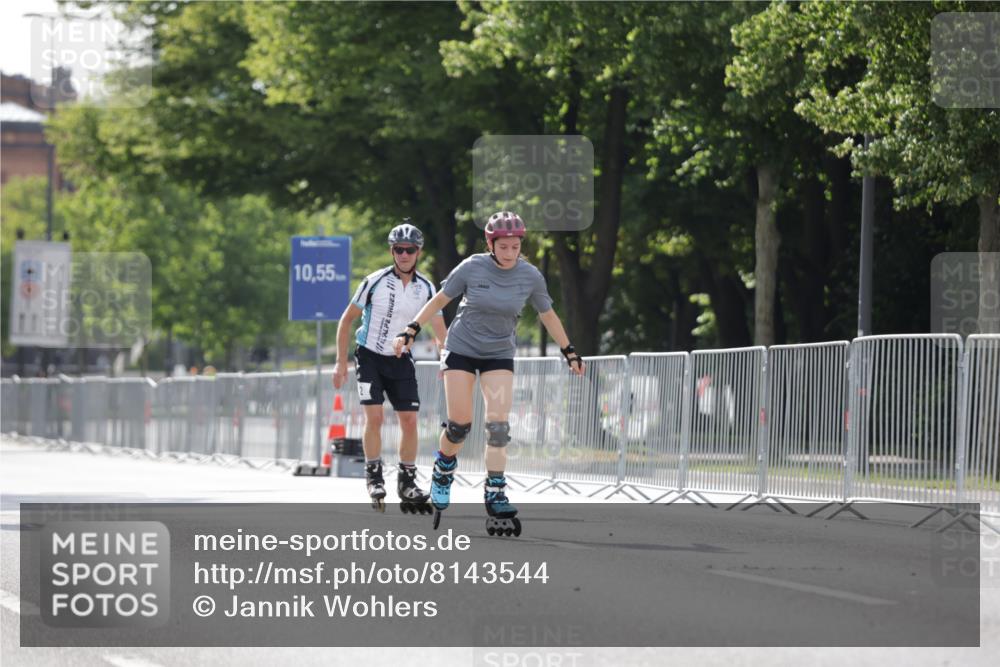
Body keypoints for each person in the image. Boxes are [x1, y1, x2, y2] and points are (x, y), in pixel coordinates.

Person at [393, 211, 585, 536]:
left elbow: (548, 315)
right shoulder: (471, 267)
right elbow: (440, 299)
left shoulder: (530, 276)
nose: (511, 253)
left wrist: (569, 350)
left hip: (498, 353)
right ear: (490, 243)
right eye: (505, 247)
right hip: (461, 350)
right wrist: (411, 329)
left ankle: (495, 491)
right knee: (459, 426)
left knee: (498, 427)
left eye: (516, 247)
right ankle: (443, 469)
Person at [334, 220, 447, 512]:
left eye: (410, 249)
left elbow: (438, 327)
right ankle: (373, 475)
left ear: (418, 252)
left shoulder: (426, 287)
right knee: (375, 419)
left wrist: (446, 358)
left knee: (409, 420)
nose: (404, 254)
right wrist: (340, 363)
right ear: (391, 250)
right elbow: (346, 320)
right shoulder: (374, 281)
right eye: (399, 249)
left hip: (401, 359)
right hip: (369, 355)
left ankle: (407, 480)